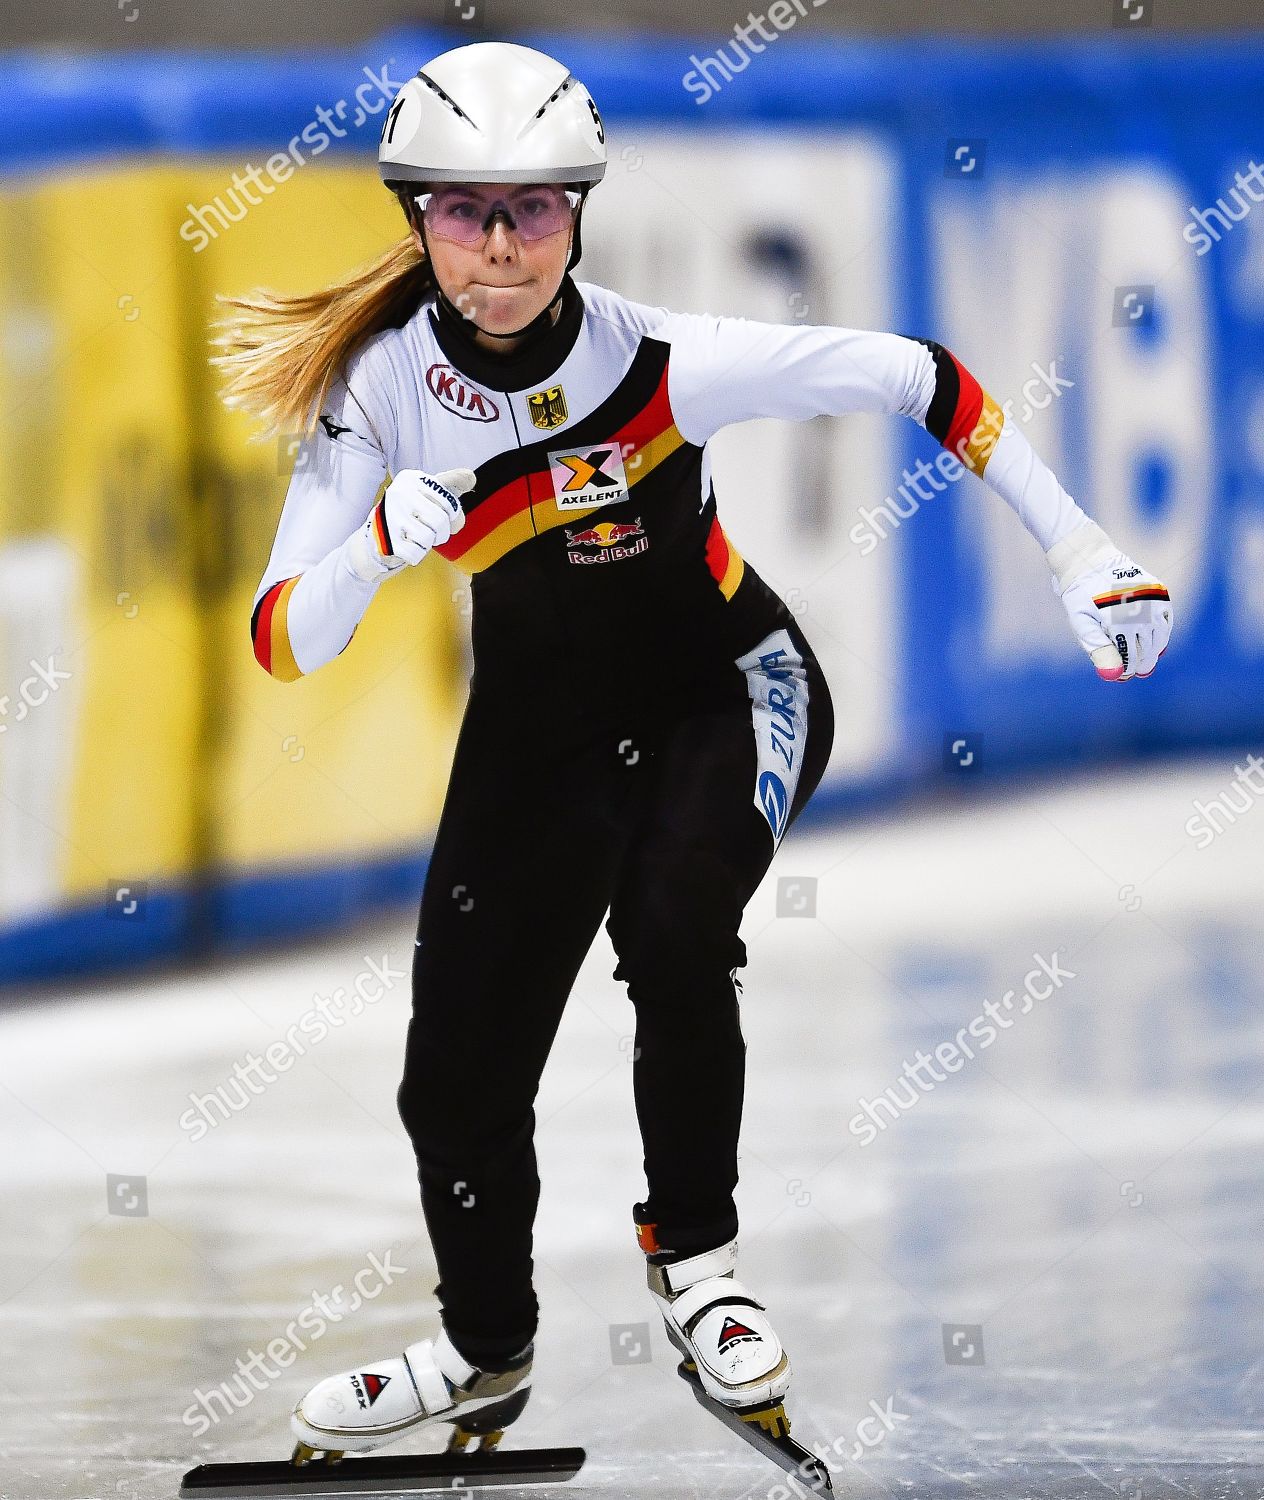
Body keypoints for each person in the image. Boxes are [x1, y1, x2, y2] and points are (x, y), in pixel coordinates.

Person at [215, 39, 1173, 1466]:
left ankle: (703, 1268)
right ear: (413, 213)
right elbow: (285, 639)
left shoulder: (666, 360)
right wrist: (371, 546)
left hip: (725, 687)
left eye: (535, 207)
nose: (500, 244)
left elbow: (921, 375)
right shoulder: (375, 388)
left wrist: (1076, 545)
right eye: (468, 211)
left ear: (581, 213)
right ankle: (484, 1350)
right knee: (452, 1081)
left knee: (673, 926)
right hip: (538, 740)